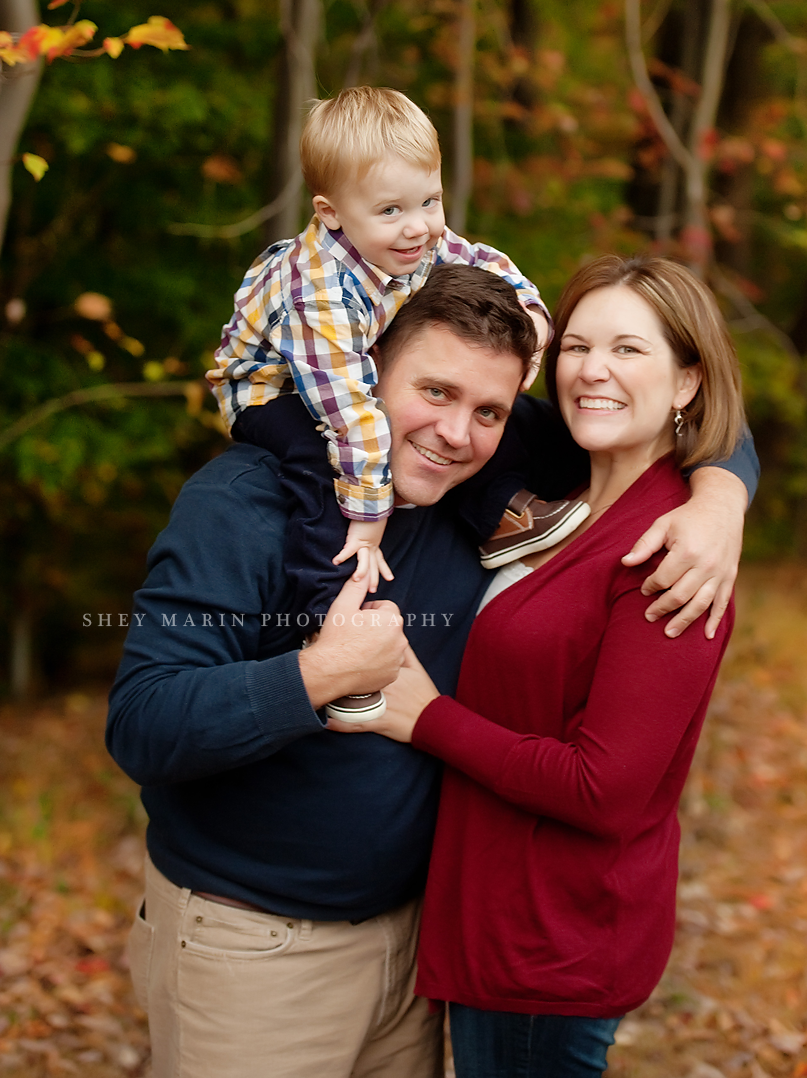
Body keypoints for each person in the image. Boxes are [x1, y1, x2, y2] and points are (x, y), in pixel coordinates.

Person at [106, 263, 756, 1078]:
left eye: (490, 410)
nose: (456, 432)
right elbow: (143, 720)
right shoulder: (245, 502)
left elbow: (675, 406)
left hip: (419, 953)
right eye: (435, 393)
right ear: (365, 370)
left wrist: (719, 498)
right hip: (258, 950)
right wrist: (314, 674)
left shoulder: (482, 480)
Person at [332, 255, 747, 1078]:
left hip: (550, 945)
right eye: (578, 346)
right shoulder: (561, 500)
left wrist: (424, 716)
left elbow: (605, 786)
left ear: (686, 382)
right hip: (495, 918)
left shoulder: (671, 550)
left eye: (629, 349)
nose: (593, 368)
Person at [206, 90, 590, 721]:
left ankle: (501, 513)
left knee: (456, 429)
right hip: (275, 392)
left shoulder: (409, 238)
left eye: (429, 201)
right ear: (331, 213)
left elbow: (485, 261)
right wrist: (367, 517)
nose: (418, 226)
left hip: (347, 383)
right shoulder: (320, 296)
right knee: (317, 471)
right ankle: (332, 619)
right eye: (391, 209)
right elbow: (352, 415)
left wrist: (533, 319)